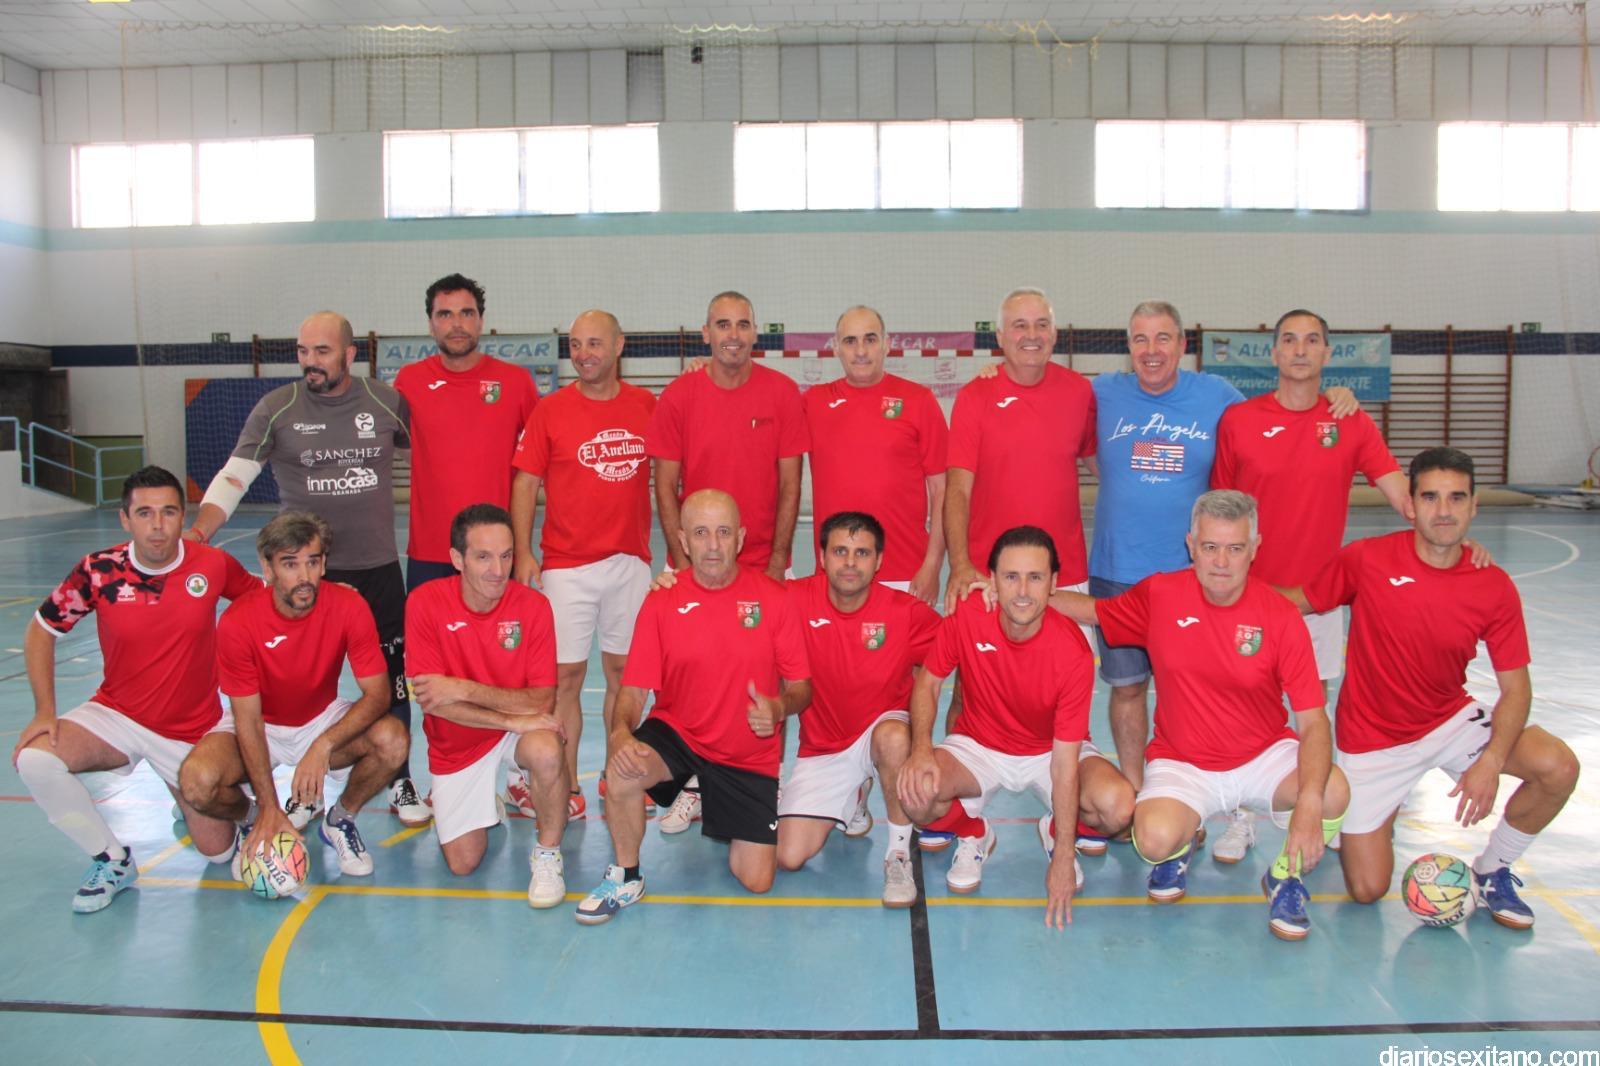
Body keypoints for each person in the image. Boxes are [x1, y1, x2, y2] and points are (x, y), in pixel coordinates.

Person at [1281, 448, 1578, 928]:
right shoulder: (1367, 559)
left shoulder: (1493, 585)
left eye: (1456, 498)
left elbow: (1517, 689)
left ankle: (1492, 870)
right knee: (1366, 888)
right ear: (1410, 505)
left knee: (1558, 767)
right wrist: (1221, 585)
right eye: (1430, 497)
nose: (1444, 510)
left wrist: (1491, 762)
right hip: (1373, 740)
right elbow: (1299, 602)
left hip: (1448, 720)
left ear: (1474, 506)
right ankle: (1376, 812)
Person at [1047, 490, 1349, 940]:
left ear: (1255, 547)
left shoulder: (1280, 615)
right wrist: (1022, 593)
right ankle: (1178, 848)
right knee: (1152, 839)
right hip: (1183, 760)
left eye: (1235, 548)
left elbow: (1313, 721)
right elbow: (1094, 611)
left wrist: (1307, 805)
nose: (1221, 562)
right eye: (1210, 547)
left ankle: (1285, 876)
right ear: (1191, 545)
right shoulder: (1161, 595)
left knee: (1332, 792)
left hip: (1262, 754)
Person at [187, 310, 428, 828]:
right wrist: (200, 532)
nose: (310, 361)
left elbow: (433, 458)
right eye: (303, 351)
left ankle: (401, 778)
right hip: (305, 573)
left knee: (392, 678)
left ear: (349, 354)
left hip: (377, 568)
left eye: (322, 351)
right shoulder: (277, 407)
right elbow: (235, 475)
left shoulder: (385, 402)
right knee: (297, 681)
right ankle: (299, 785)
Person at [652, 510, 940, 907]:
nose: (850, 563)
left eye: (862, 553)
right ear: (821, 557)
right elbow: (730, 594)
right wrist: (676, 586)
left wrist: (987, 598)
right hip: (824, 749)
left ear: (879, 561)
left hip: (883, 732)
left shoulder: (905, 612)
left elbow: (960, 643)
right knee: (787, 856)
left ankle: (898, 855)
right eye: (840, 551)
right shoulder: (792, 599)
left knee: (892, 739)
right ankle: (855, 796)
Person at [1207, 307, 1408, 862]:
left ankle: (1321, 812)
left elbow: (1404, 496)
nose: (1300, 349)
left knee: (1313, 711)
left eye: (1312, 340)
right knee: (1245, 708)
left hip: (1317, 602)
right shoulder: (1240, 420)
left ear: (1326, 353)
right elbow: (1220, 510)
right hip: (1248, 599)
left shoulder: (1350, 422)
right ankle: (1242, 817)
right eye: (1290, 340)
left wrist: (1457, 538)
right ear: (1274, 353)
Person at [12, 467, 259, 913]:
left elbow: (262, 603)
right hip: (117, 715)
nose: (157, 525)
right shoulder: (99, 570)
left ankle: (195, 793)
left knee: (218, 853)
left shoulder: (212, 564)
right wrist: (45, 711)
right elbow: (41, 629)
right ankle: (112, 859)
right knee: (35, 759)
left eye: (168, 512)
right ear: (125, 519)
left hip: (190, 730)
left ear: (183, 516)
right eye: (144, 513)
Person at [575, 490, 810, 925]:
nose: (713, 545)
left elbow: (802, 688)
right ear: (683, 540)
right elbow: (633, 691)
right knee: (623, 768)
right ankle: (626, 875)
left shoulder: (773, 599)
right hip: (679, 734)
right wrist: (620, 733)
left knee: (757, 879)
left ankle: (719, 805)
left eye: (723, 532)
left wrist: (779, 709)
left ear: (740, 538)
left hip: (746, 754)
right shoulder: (662, 600)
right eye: (701, 533)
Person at [898, 526, 1134, 929]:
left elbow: (1064, 763)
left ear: (1054, 584)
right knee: (915, 794)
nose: (1023, 591)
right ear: (991, 580)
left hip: (1049, 751)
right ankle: (974, 831)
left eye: (1035, 577)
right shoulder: (969, 615)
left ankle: (1058, 830)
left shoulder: (1072, 652)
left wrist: (1063, 857)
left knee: (1119, 808)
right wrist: (920, 749)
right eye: (1011, 577)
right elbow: (929, 683)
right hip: (979, 745)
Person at [645, 291, 808, 833]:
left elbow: (790, 483)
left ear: (755, 332)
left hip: (762, 564)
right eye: (722, 324)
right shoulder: (679, 395)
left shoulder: (781, 393)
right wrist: (680, 558)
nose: (732, 335)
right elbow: (665, 484)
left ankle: (765, 780)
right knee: (694, 674)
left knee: (768, 679)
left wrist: (778, 560)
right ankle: (696, 781)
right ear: (706, 333)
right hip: (700, 566)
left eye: (742, 324)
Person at [177, 512, 408, 880]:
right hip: (261, 723)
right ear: (267, 568)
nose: (304, 577)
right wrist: (269, 806)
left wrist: (322, 746)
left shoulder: (348, 606)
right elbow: (248, 720)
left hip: (319, 718)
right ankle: (254, 820)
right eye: (290, 564)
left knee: (393, 740)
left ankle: (340, 819)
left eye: (312, 562)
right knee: (196, 782)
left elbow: (378, 696)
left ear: (324, 564)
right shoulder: (238, 621)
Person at [510, 309, 655, 822]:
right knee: (564, 678)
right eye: (575, 344)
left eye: (594, 343)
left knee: (625, 675)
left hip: (630, 562)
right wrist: (523, 551)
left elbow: (675, 471)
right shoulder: (550, 410)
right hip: (567, 565)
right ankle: (566, 786)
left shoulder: (647, 406)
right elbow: (525, 482)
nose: (584, 354)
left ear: (619, 345)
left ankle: (620, 775)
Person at [405, 504, 567, 907]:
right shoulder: (424, 603)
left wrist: (461, 687)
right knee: (463, 864)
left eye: (506, 555)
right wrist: (513, 718)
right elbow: (436, 705)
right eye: (483, 557)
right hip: (458, 742)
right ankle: (489, 797)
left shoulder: (534, 607)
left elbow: (542, 700)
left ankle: (548, 853)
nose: (498, 570)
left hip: (514, 730)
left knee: (546, 749)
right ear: (457, 559)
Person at [395, 273, 539, 592]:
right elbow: (397, 442)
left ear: (481, 321)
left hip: (496, 549)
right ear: (431, 324)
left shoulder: (515, 382)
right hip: (430, 549)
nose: (457, 324)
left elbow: (539, 462)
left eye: (466, 313)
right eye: (445, 314)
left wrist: (524, 549)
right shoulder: (409, 381)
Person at [804, 306, 948, 606]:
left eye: (870, 339)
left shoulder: (919, 400)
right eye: (850, 341)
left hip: (906, 574)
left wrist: (932, 565)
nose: (860, 351)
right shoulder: (813, 403)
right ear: (836, 348)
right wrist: (707, 364)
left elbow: (942, 489)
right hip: (835, 574)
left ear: (887, 344)